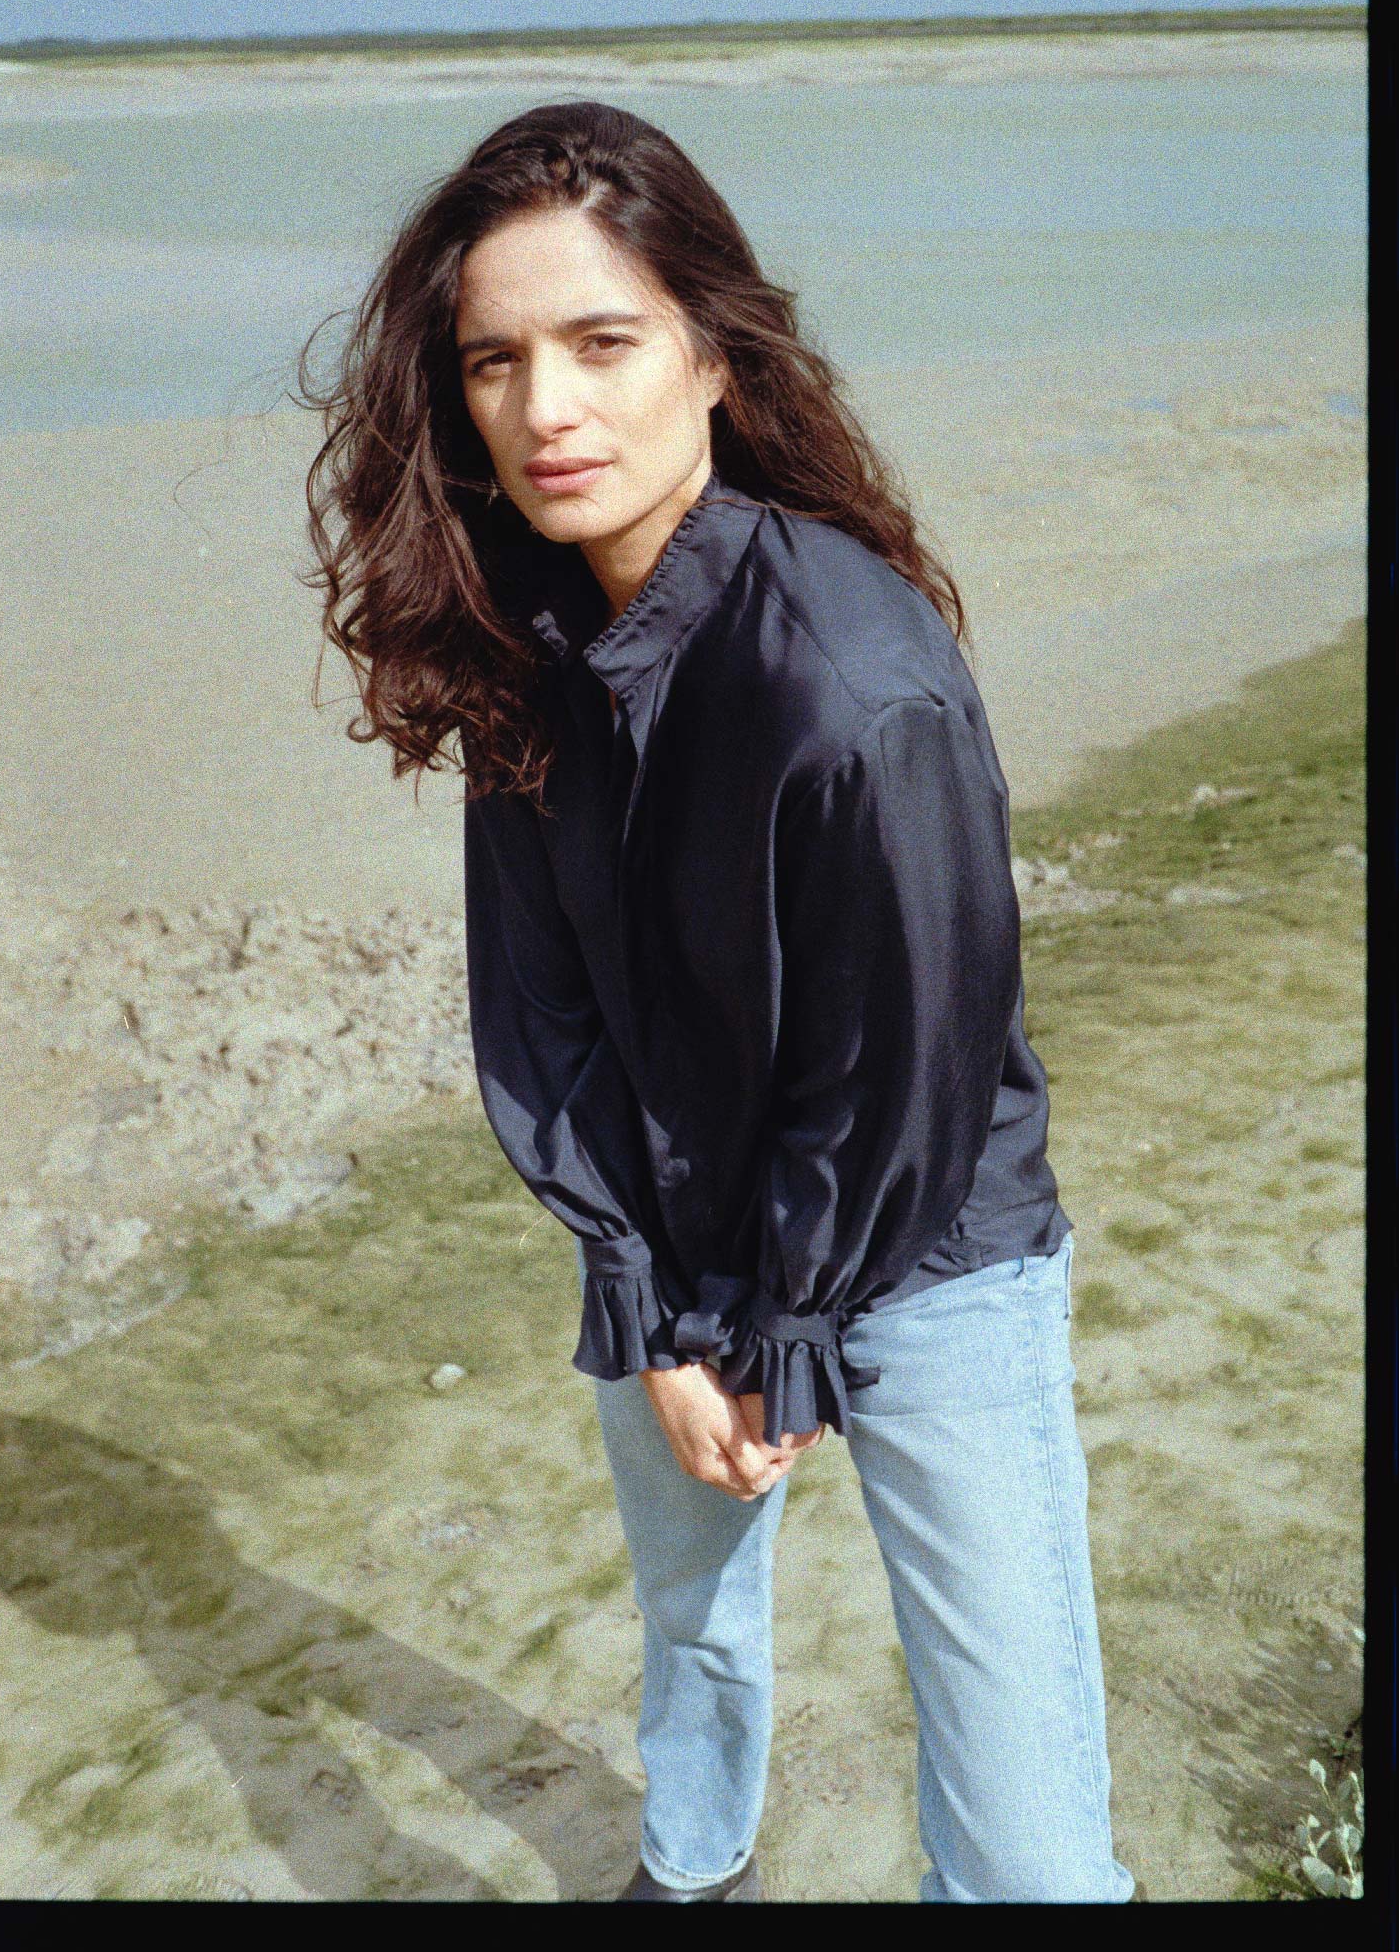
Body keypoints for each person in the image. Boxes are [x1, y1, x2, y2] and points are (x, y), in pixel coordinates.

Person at [300, 100, 1137, 1905]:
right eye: (496, 361)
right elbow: (546, 1018)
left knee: (1027, 1832)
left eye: (602, 345)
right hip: (671, 1240)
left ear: (714, 360)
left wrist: (774, 1324)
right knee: (691, 1634)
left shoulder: (857, 687)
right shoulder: (522, 640)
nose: (547, 411)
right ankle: (692, 1870)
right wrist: (655, 1309)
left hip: (920, 1248)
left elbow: (896, 1078)